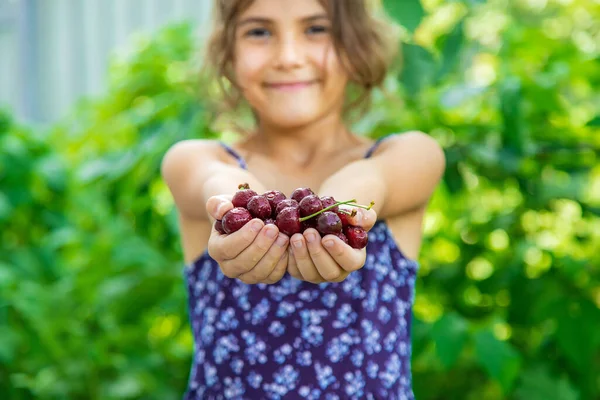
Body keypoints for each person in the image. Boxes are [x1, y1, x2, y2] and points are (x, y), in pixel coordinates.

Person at [161, 0, 445, 398]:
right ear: (227, 52)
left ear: (356, 44)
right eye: (259, 31)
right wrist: (238, 209)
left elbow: (371, 180)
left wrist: (335, 213)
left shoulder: (407, 155)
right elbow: (219, 182)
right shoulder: (196, 159)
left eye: (316, 29)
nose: (289, 57)